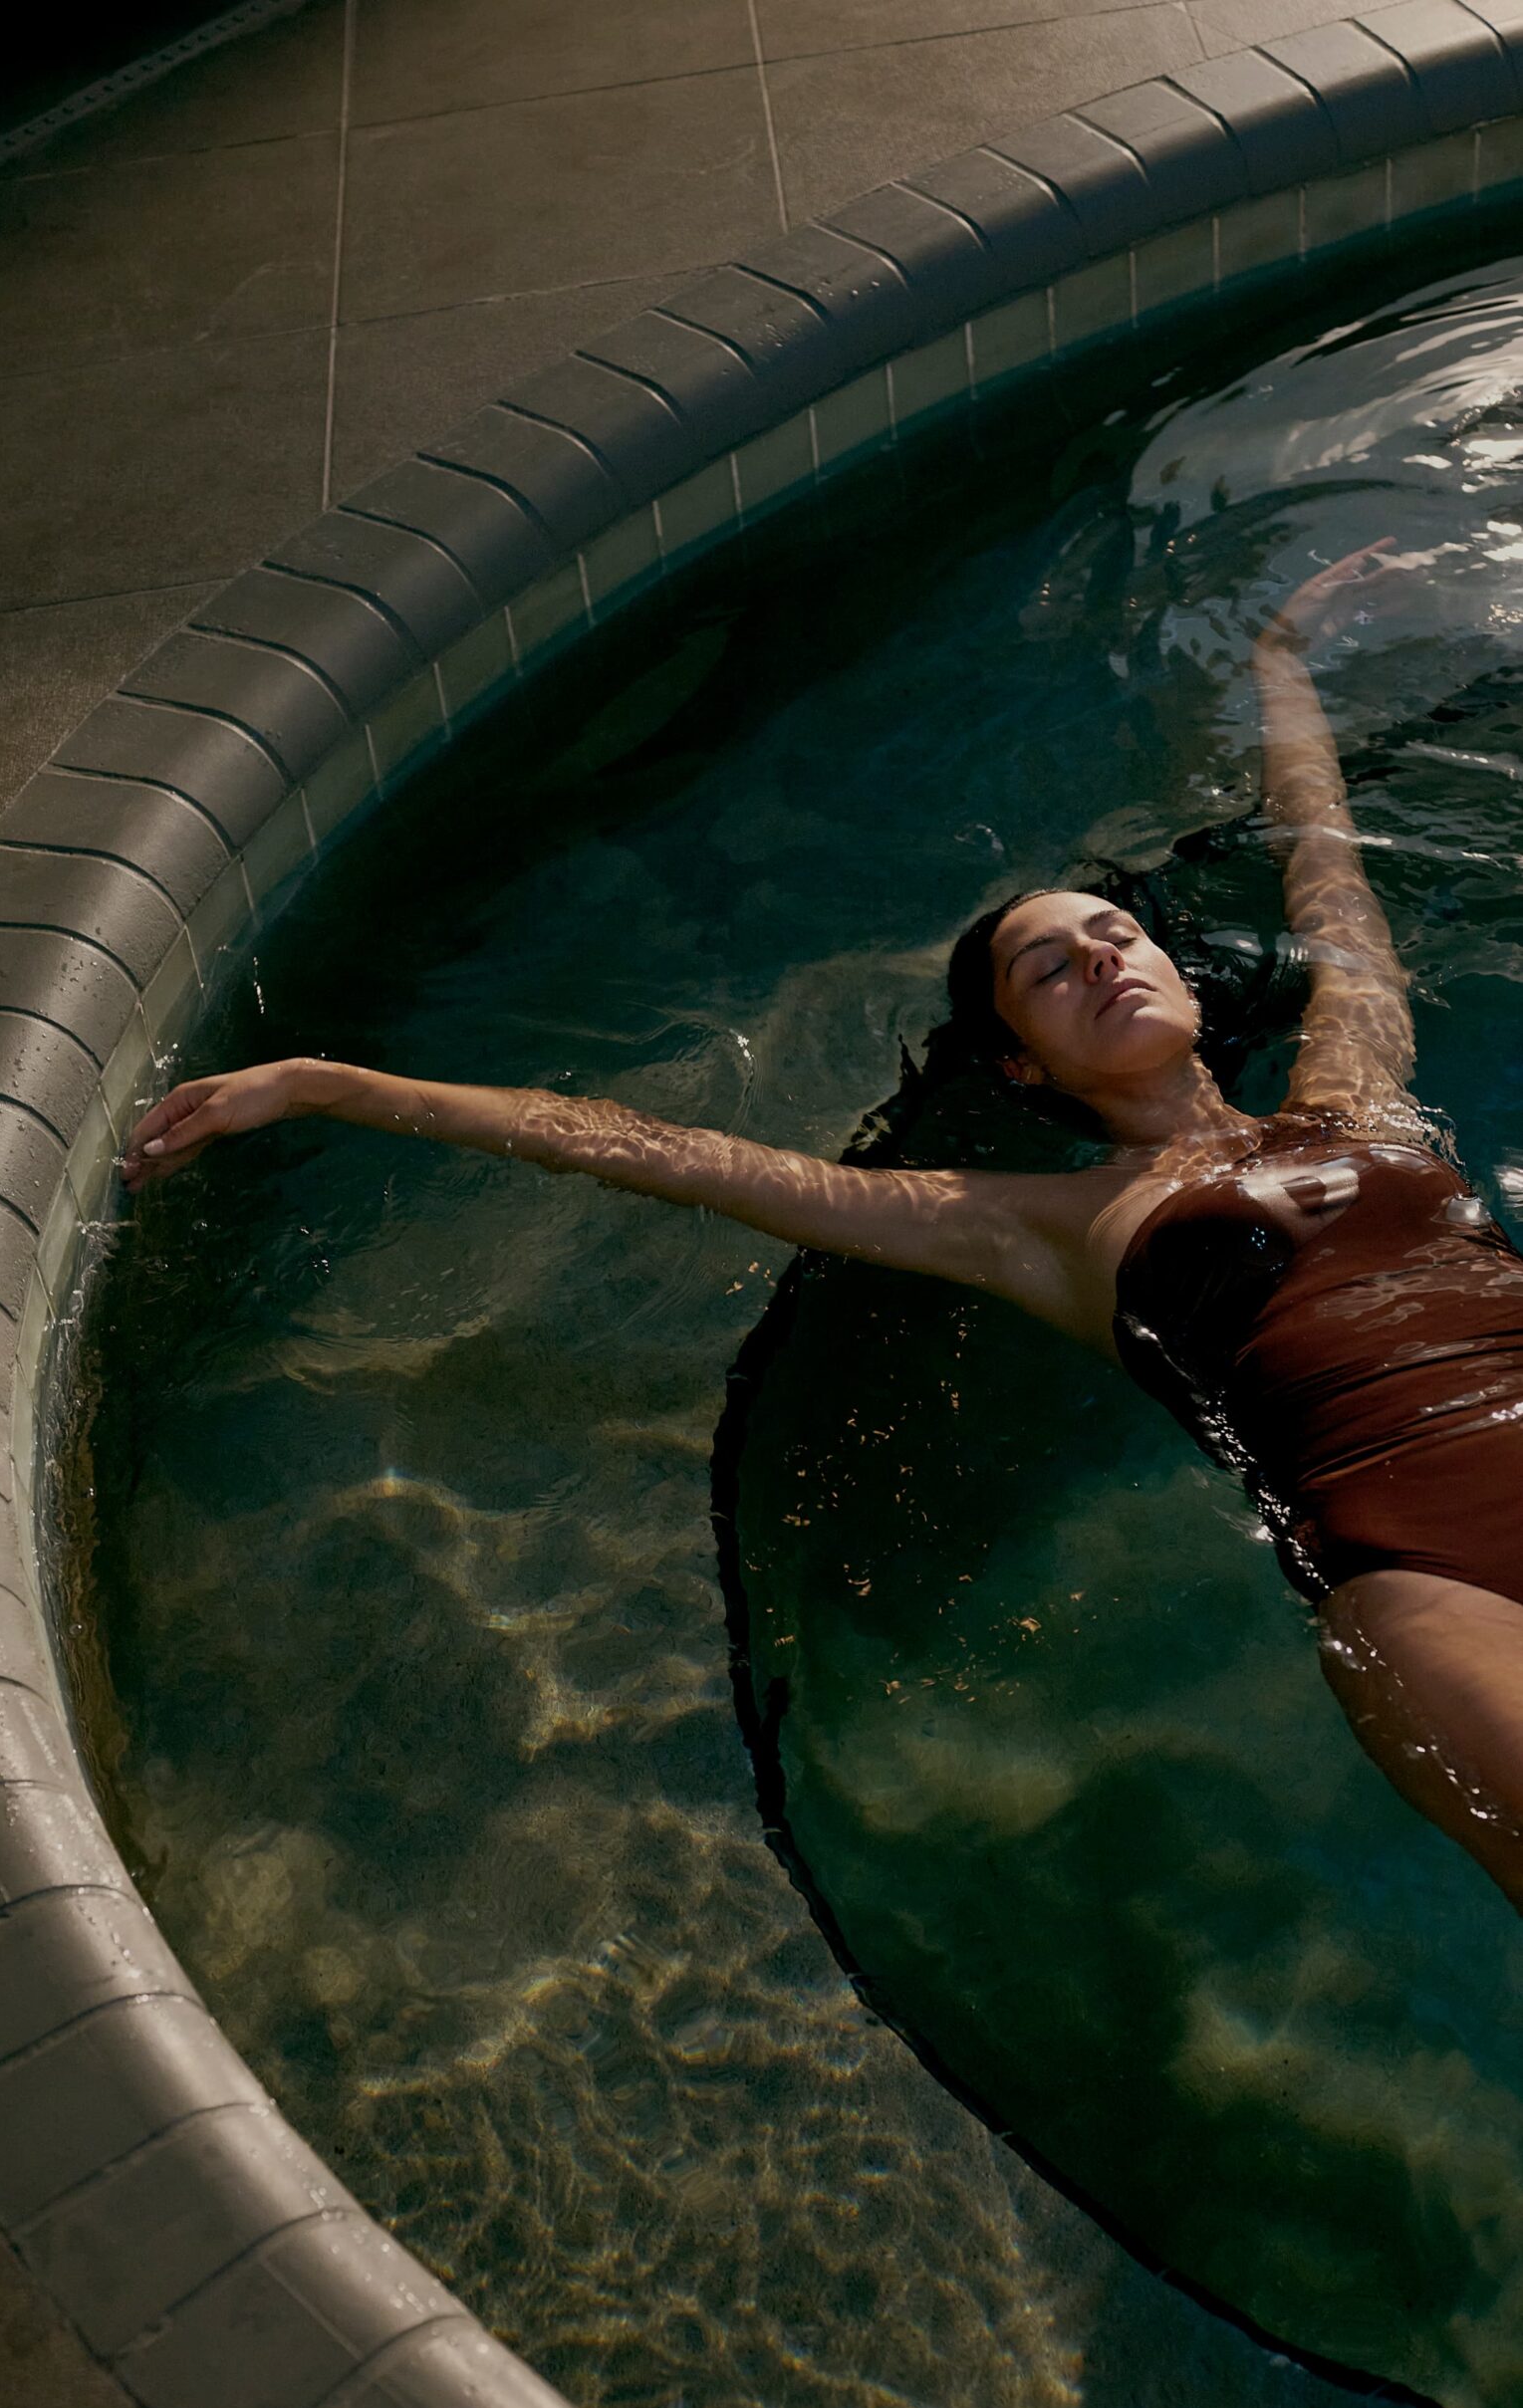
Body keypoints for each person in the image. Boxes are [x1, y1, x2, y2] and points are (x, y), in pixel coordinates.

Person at [122, 543, 1523, 1908]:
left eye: (1115, 935)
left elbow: (1330, 880)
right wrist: (331, 1085)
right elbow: (667, 1154)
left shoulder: (1359, 1093)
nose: (1101, 958)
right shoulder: (1036, 1225)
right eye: (1050, 969)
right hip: (1417, 1570)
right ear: (1021, 1064)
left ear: (1183, 976)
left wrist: (1282, 662)